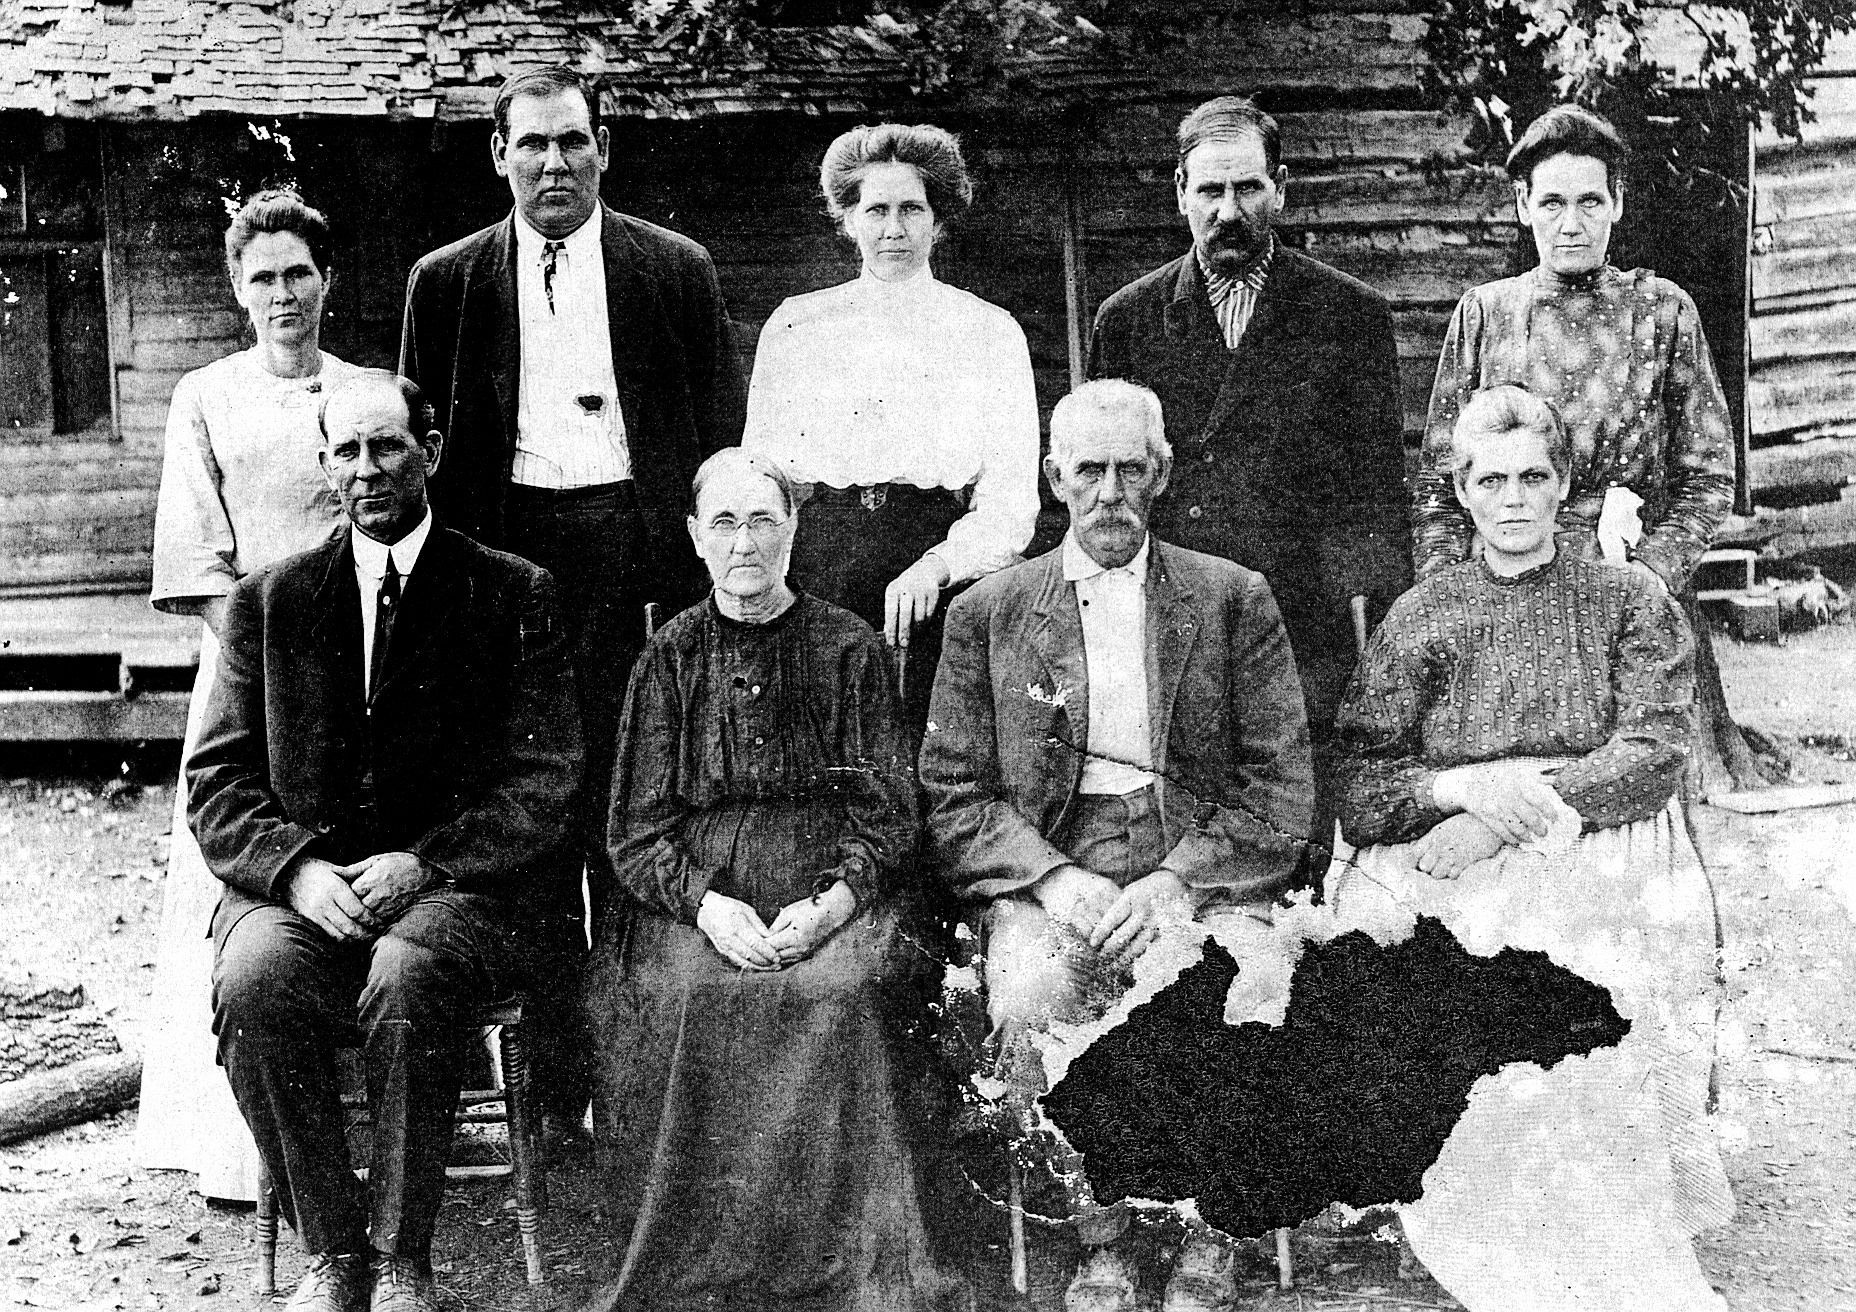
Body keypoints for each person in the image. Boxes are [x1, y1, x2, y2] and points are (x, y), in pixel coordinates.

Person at [1328, 384, 1734, 1311]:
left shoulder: (1628, 597)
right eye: (1491, 480)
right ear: (1461, 492)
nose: (1514, 498)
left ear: (1565, 487)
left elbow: (1654, 751)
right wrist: (1454, 791)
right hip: (1450, 838)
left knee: (1583, 961)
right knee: (1426, 958)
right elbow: (1359, 775)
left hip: (1596, 825)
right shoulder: (1424, 614)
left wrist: (1510, 812)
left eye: (1534, 477)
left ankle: (1599, 1224)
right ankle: (1472, 1218)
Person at [188, 371, 582, 1312]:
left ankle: (404, 1258)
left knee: (408, 974)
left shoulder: (512, 591)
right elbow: (218, 781)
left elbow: (547, 780)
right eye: (346, 452)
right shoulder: (270, 602)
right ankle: (334, 1252)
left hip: (465, 892)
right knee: (253, 980)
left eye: (387, 447)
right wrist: (295, 869)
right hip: (309, 891)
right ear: (327, 466)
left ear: (429, 453)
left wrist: (430, 862)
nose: (366, 471)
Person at [398, 65, 747, 1125]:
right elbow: (422, 446)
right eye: (533, 144)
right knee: (533, 821)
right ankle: (552, 1087)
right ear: (497, 154)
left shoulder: (670, 269)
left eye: (574, 142)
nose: (555, 163)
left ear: (605, 150)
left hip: (635, 565)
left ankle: (642, 1090)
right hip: (505, 570)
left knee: (632, 812)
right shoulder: (446, 280)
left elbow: (718, 438)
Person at [920, 380, 1313, 1312]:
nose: (1108, 494)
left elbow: (1282, 790)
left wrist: (1180, 882)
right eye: (1087, 472)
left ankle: (1207, 1230)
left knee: (1237, 983)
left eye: (1128, 470)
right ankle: (1105, 1234)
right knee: (1032, 990)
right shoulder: (989, 613)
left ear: (1162, 474)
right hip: (1053, 857)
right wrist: (1050, 881)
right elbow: (952, 792)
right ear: (1055, 479)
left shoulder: (1230, 598)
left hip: (1199, 856)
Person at [586, 448, 945, 1312]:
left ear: (794, 529)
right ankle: (709, 1265)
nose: (744, 543)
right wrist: (708, 908)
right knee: (682, 994)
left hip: (833, 887)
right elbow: (634, 832)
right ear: (695, 538)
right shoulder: (666, 661)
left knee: (843, 991)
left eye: (762, 521)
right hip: (695, 897)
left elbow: (892, 812)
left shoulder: (849, 647)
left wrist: (833, 906)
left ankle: (839, 1266)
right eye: (724, 523)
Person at [138, 188, 368, 1201]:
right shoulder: (205, 395)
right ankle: (240, 1148)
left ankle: (375, 1126)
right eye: (263, 277)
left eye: (299, 274)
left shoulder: (366, 390)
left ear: (327, 281)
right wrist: (271, 666)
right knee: (241, 884)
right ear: (237, 288)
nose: (283, 294)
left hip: (360, 667)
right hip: (244, 672)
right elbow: (197, 556)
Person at [1087, 95, 1409, 799]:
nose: (1228, 211)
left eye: (1247, 188)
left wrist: (1376, 638)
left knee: (1297, 812)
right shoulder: (1128, 321)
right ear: (1181, 193)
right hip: (1174, 606)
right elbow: (1103, 484)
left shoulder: (1349, 315)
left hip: (1303, 617)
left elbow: (1376, 491)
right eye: (1210, 190)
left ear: (1281, 188)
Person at [744, 122, 1040, 729]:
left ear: (939, 219)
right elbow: (760, 482)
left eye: (913, 208)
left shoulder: (988, 332)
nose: (894, 229)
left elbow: (1010, 503)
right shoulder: (798, 327)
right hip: (819, 571)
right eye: (876, 209)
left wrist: (936, 567)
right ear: (848, 217)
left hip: (944, 576)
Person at [1412, 103, 1735, 594]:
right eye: (1551, 203)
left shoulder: (1663, 312)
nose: (1571, 225)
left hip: (1626, 579)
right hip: (1503, 588)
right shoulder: (1485, 312)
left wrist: (1652, 576)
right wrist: (1448, 596)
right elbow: (1439, 483)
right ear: (1523, 204)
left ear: (1617, 202)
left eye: (1590, 202)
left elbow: (1710, 475)